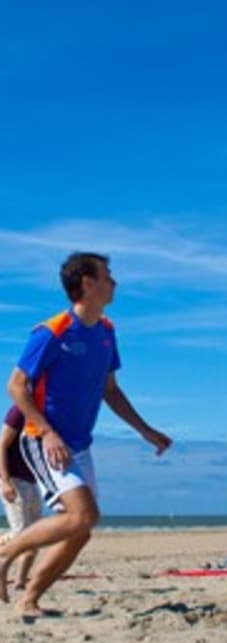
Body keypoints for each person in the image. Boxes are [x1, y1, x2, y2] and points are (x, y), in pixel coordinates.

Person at [0, 252, 172, 616]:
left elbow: (110, 390)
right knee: (82, 516)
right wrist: (47, 433)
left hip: (79, 444)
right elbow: (16, 387)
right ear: (88, 283)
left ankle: (29, 599)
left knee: (81, 529)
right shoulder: (52, 331)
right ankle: (5, 553)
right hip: (43, 440)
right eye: (108, 275)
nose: (115, 282)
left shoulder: (107, 332)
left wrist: (145, 431)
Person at [1, 404, 43, 589]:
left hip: (33, 481)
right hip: (14, 480)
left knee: (36, 535)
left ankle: (20, 581)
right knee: (23, 535)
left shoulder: (47, 412)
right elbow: (1, 445)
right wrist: (4, 481)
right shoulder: (19, 411)